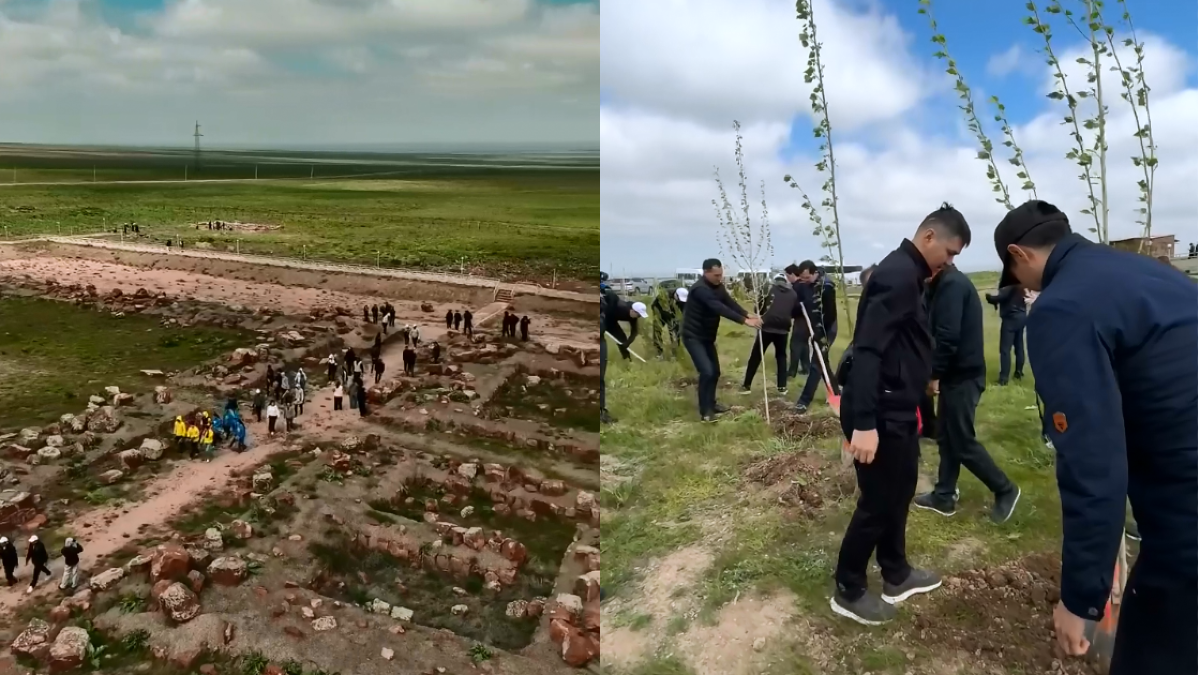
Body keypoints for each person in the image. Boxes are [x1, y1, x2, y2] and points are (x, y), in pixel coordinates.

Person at [992, 199, 1197, 674]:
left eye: (1015, 276)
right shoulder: (1153, 275)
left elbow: (1093, 465)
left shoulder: (1062, 309)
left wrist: (1082, 599)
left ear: (1019, 255)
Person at [832, 203, 970, 625]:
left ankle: (896, 572)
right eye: (949, 252)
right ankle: (848, 587)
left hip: (900, 407)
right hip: (880, 412)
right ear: (928, 237)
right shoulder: (895, 276)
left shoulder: (912, 276)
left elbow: (902, 341)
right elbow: (869, 348)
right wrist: (865, 424)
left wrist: (923, 376)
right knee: (877, 501)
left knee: (900, 491)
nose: (949, 262)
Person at [912, 263, 1020, 522]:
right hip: (954, 375)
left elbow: (947, 337)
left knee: (961, 440)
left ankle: (1005, 488)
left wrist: (933, 375)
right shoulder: (937, 286)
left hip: (964, 376)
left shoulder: (953, 285)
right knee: (947, 437)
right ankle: (944, 495)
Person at [680, 258, 762, 423]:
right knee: (707, 371)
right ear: (706, 272)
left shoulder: (718, 286)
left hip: (707, 337)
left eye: (721, 274)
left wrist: (747, 314)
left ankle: (712, 403)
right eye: (716, 275)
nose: (720, 278)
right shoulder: (700, 289)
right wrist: (743, 321)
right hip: (693, 336)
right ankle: (706, 412)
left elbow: (729, 302)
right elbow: (718, 307)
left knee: (715, 372)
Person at [599, 272, 647, 424]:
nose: (637, 317)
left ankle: (627, 358)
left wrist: (626, 344)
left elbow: (635, 332)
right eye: (637, 315)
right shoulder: (619, 305)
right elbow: (606, 304)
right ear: (632, 310)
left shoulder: (633, 317)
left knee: (622, 340)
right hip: (606, 318)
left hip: (611, 322)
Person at [794, 261, 839, 413]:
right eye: (802, 278)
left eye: (807, 278)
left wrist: (821, 335)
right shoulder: (806, 284)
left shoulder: (826, 286)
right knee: (823, 362)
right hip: (814, 328)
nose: (804, 281)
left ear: (814, 273)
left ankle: (804, 401)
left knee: (816, 364)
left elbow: (830, 315)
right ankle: (837, 393)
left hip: (827, 330)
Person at [740, 274, 795, 395]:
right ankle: (782, 387)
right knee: (781, 357)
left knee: (756, 356)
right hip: (783, 329)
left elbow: (758, 308)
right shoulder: (793, 293)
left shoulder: (768, 290)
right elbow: (794, 311)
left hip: (767, 327)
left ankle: (746, 386)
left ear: (774, 281)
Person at [984, 285, 1027, 385]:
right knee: (1019, 346)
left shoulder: (1009, 283)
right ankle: (1019, 372)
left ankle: (1003, 379)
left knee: (1005, 349)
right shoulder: (1020, 281)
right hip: (1021, 316)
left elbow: (1002, 297)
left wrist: (990, 298)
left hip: (1011, 318)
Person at [784, 265, 811, 379]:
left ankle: (791, 372)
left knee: (795, 344)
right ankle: (806, 368)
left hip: (801, 319)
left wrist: (790, 314)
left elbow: (797, 305)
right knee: (804, 344)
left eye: (787, 276)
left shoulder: (797, 287)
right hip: (808, 319)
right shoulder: (805, 285)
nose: (786, 278)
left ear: (792, 275)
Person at [650, 287, 681, 359]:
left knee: (674, 331)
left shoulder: (681, 294)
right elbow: (666, 310)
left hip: (670, 312)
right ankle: (659, 353)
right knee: (657, 331)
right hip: (659, 311)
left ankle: (675, 353)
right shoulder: (664, 295)